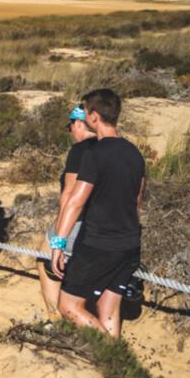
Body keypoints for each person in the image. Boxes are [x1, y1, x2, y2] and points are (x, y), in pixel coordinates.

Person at [51, 89, 145, 338]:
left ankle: (113, 357)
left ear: (93, 116)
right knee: (109, 310)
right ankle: (115, 370)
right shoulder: (134, 153)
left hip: (98, 244)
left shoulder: (95, 153)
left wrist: (58, 243)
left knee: (68, 306)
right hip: (129, 243)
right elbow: (137, 202)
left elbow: (75, 202)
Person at [37, 106, 97, 320]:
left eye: (71, 126)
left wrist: (59, 237)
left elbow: (69, 196)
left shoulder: (80, 151)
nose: (71, 132)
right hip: (106, 226)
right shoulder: (112, 147)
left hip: (78, 222)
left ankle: (55, 319)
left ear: (78, 123)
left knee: (46, 259)